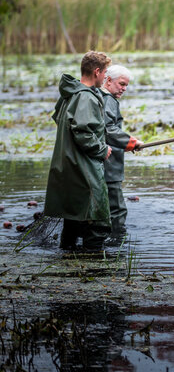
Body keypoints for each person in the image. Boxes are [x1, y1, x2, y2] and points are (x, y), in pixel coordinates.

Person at [44, 51, 113, 251]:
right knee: (97, 223)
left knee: (73, 220)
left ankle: (68, 266)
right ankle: (93, 268)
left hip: (68, 166)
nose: (106, 77)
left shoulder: (70, 94)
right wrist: (102, 149)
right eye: (105, 72)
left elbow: (61, 120)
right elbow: (82, 132)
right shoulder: (85, 97)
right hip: (84, 168)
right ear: (97, 72)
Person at [101, 64, 143, 236]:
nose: (124, 89)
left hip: (105, 161)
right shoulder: (108, 100)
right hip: (108, 166)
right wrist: (131, 143)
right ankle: (117, 245)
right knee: (117, 209)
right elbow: (108, 129)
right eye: (122, 84)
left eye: (126, 85)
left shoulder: (99, 97)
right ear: (108, 80)